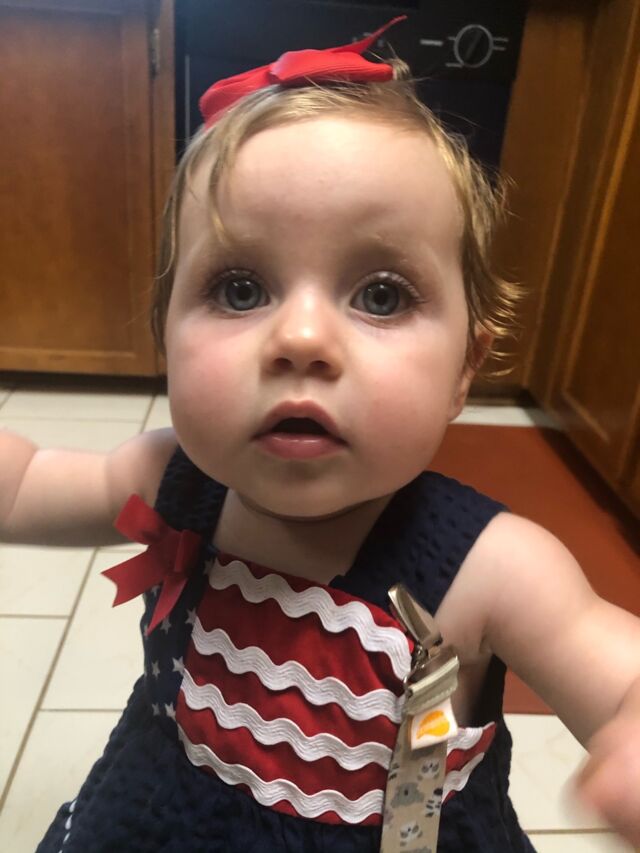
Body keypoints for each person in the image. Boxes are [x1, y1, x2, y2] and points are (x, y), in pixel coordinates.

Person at [1, 18, 639, 853]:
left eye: (381, 295)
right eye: (239, 288)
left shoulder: (492, 569)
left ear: (465, 368)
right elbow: (23, 484)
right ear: (165, 336)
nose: (300, 339)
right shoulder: (169, 480)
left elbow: (618, 674)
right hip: (161, 815)